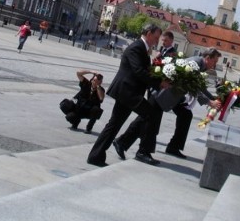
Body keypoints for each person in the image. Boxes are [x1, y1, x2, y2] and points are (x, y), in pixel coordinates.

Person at [87, 24, 164, 167]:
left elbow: (143, 71)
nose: (157, 40)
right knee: (150, 114)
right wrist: (159, 83)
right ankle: (141, 151)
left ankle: (97, 155)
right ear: (148, 33)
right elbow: (138, 71)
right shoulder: (136, 47)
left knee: (114, 124)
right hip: (127, 92)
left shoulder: (143, 49)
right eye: (155, 37)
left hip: (129, 92)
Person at [112, 30, 177, 158]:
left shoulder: (173, 54)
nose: (162, 42)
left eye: (164, 40)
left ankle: (126, 143)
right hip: (155, 88)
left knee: (149, 117)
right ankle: (138, 149)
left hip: (160, 89)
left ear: (171, 41)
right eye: (161, 40)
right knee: (149, 117)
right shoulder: (161, 52)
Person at [164, 48, 222, 158]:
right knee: (149, 117)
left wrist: (214, 98)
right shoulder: (195, 63)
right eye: (214, 61)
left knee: (185, 115)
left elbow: (200, 86)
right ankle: (123, 141)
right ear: (208, 58)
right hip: (167, 92)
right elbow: (193, 87)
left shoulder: (201, 66)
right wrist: (209, 102)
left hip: (176, 94)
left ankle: (173, 147)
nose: (214, 65)